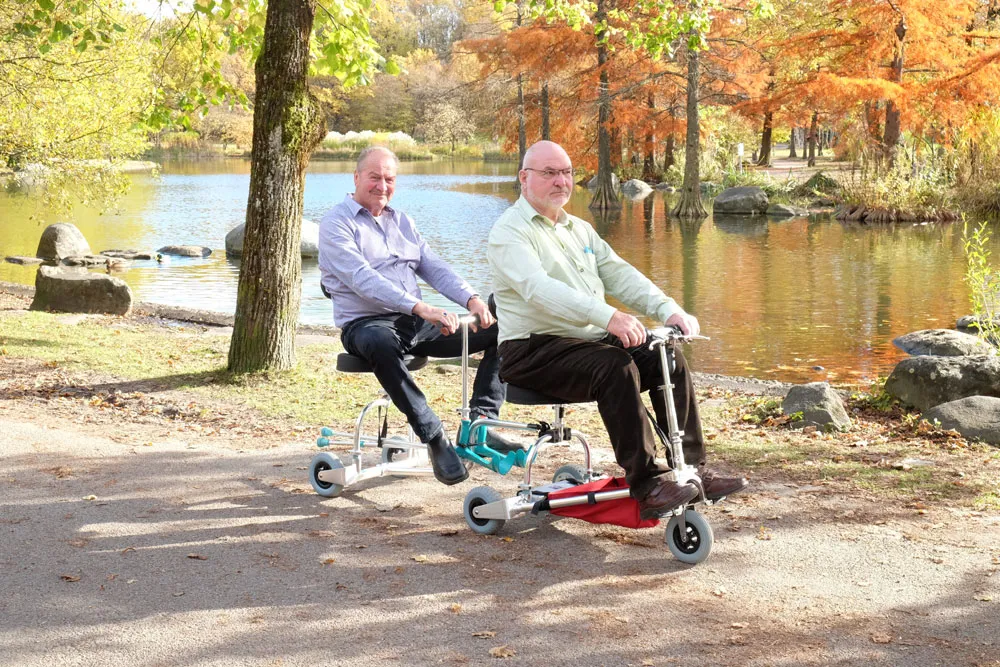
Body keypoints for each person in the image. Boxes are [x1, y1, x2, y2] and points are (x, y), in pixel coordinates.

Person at [487, 141, 747, 519]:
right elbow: (539, 289)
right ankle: (648, 485)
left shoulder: (579, 229)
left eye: (567, 172)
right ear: (524, 178)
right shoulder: (509, 232)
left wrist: (669, 309)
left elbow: (620, 274)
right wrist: (609, 317)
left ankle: (692, 469)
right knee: (614, 365)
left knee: (665, 358)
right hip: (531, 350)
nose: (561, 181)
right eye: (549, 173)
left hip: (586, 341)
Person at [319, 146, 511, 486]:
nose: (382, 186)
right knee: (378, 340)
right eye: (374, 177)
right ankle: (434, 436)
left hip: (415, 323)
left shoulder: (403, 221)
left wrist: (471, 299)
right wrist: (422, 307)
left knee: (505, 325)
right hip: (366, 324)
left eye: (389, 179)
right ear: (356, 177)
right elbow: (363, 279)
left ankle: (481, 422)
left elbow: (433, 266)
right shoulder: (336, 223)